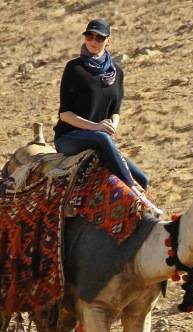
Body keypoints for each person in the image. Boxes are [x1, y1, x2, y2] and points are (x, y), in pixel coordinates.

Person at [53, 18, 153, 207]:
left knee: (144, 178)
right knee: (102, 139)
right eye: (89, 35)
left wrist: (113, 124)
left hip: (100, 140)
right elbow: (65, 114)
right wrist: (96, 127)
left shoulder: (117, 73)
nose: (93, 40)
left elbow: (115, 111)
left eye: (99, 37)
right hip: (69, 138)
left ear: (109, 41)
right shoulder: (74, 69)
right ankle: (132, 190)